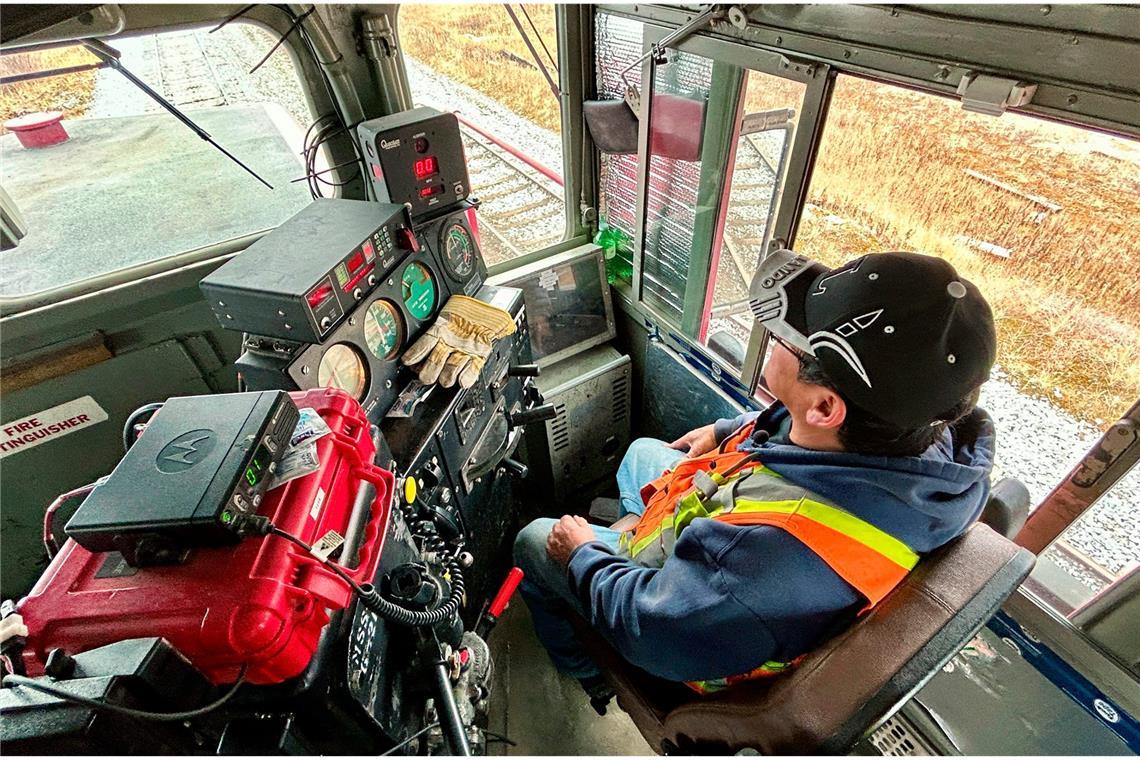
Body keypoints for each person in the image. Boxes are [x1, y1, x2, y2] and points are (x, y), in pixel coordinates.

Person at [513, 250, 998, 703]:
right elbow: (793, 426)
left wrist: (583, 559)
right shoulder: (915, 433)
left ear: (826, 406)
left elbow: (651, 629)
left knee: (536, 539)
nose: (770, 335)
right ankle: (629, 540)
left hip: (679, 625)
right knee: (642, 454)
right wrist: (726, 431)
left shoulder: (763, 567)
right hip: (721, 550)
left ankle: (590, 673)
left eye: (786, 337)